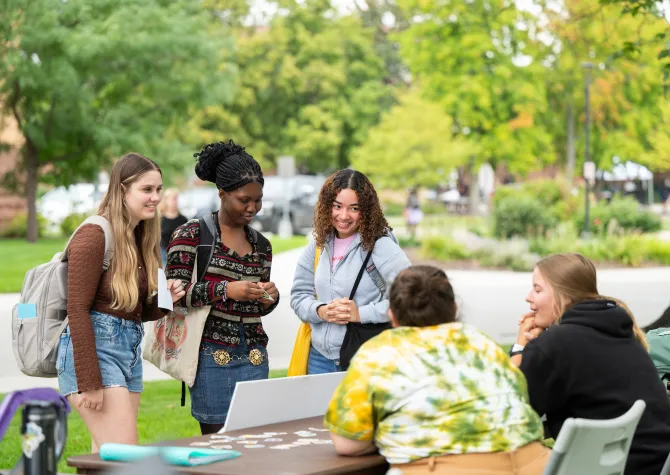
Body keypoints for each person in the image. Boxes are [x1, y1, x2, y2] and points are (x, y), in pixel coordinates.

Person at [325, 266, 550, 475]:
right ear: (454, 308)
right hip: (538, 463)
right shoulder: (481, 342)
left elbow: (347, 444)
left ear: (392, 315)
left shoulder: (378, 352)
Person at [56, 153, 185, 451]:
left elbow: (132, 310)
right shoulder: (94, 234)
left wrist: (165, 301)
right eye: (146, 189)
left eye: (158, 189)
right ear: (122, 190)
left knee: (106, 459)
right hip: (94, 353)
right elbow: (77, 309)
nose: (156, 197)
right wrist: (89, 381)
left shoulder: (139, 236)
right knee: (125, 457)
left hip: (128, 352)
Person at [512, 253, 670, 475]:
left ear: (562, 295)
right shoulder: (622, 331)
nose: (528, 298)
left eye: (537, 290)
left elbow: (511, 409)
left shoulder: (555, 344)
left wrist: (520, 346)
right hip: (654, 464)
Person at [166, 140, 279, 435]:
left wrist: (269, 298)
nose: (253, 208)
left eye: (258, 200)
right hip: (211, 357)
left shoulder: (262, 245)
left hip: (255, 354)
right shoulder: (192, 234)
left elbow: (257, 307)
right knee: (218, 443)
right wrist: (226, 290)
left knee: (256, 441)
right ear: (222, 193)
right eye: (244, 200)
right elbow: (173, 296)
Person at [290, 169, 411, 374]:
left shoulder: (380, 244)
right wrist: (320, 311)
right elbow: (299, 296)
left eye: (354, 208)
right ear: (327, 205)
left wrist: (360, 314)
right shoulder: (319, 243)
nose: (343, 216)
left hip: (364, 357)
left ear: (366, 210)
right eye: (337, 206)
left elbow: (409, 297)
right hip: (318, 359)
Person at [159, 188, 187, 265]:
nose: (175, 202)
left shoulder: (183, 219)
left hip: (179, 254)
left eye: (177, 199)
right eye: (173, 199)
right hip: (163, 253)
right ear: (166, 200)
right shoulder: (160, 218)